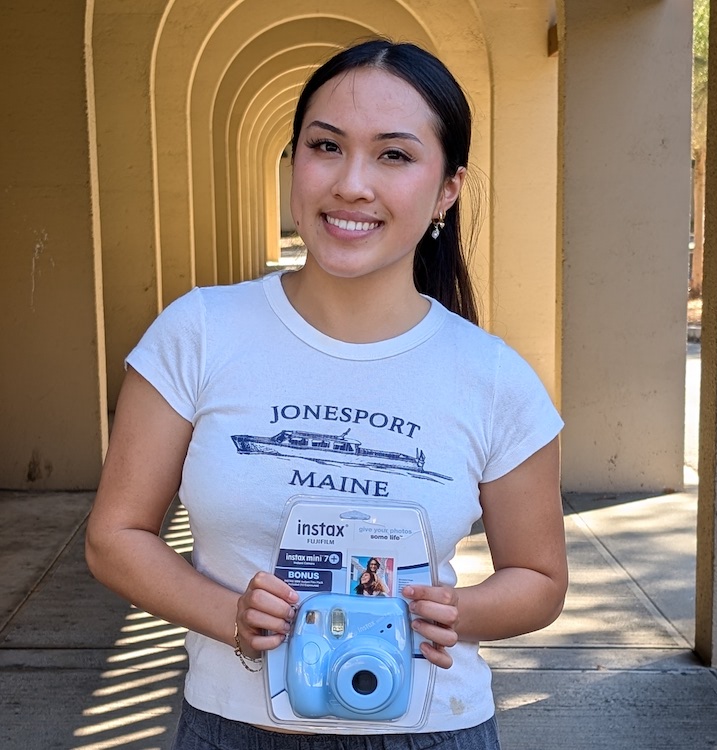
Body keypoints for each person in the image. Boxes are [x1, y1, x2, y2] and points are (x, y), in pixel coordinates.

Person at [86, 37, 567, 750]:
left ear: (447, 191)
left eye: (394, 155)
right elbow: (114, 537)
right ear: (295, 164)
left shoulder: (493, 377)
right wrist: (232, 617)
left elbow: (538, 576)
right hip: (231, 727)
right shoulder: (200, 332)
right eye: (325, 146)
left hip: (431, 730)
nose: (351, 184)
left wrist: (458, 612)